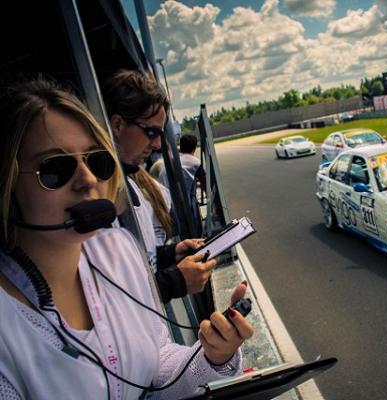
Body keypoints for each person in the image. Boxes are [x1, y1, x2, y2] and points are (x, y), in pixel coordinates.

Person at [0, 78, 253, 398]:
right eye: (55, 168)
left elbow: (157, 365)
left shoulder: (119, 251)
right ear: (8, 182)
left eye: (97, 160)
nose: (87, 179)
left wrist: (214, 357)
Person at [101, 69, 210, 303]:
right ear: (117, 125)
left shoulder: (131, 185)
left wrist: (171, 253)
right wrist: (174, 283)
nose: (157, 144)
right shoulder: (93, 199)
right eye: (151, 132)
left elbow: (137, 262)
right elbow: (107, 297)